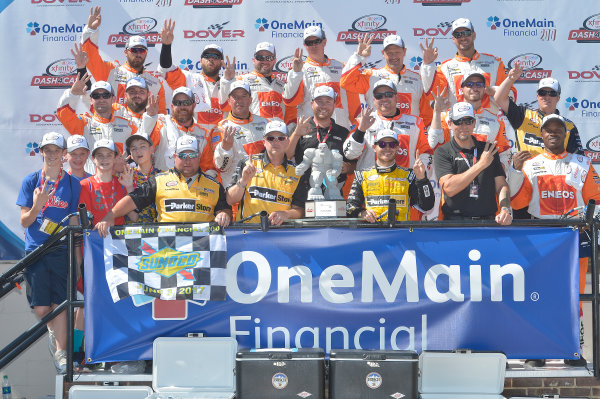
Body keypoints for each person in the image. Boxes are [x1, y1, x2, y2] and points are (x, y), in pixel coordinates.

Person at [508, 114, 600, 368]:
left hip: (574, 235)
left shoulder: (582, 163)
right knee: (539, 292)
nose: (553, 133)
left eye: (558, 129)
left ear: (565, 134)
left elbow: (595, 200)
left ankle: (572, 350)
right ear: (541, 135)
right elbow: (517, 203)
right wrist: (515, 170)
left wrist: (586, 219)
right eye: (548, 130)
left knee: (575, 295)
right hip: (543, 235)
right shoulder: (530, 164)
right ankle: (537, 350)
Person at [16, 132, 82, 374]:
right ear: (41, 152)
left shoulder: (74, 183)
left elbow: (74, 218)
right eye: (48, 150)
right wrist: (38, 205)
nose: (53, 155)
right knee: (42, 309)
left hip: (61, 249)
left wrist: (77, 255)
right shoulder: (31, 181)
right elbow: (25, 222)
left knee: (61, 303)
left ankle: (63, 352)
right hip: (35, 250)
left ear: (64, 154)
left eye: (57, 150)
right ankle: (55, 338)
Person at [96, 135, 231, 236]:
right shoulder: (159, 180)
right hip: (168, 249)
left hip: (202, 249)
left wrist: (224, 214)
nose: (187, 160)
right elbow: (133, 199)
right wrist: (109, 217)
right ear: (174, 156)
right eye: (182, 155)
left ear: (200, 156)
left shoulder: (214, 184)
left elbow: (224, 209)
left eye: (192, 155)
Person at [57, 77, 159, 173]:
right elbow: (63, 114)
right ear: (91, 100)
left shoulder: (127, 124)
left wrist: (150, 116)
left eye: (105, 95)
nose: (101, 99)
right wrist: (72, 94)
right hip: (91, 184)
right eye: (96, 96)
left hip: (120, 183)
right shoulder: (84, 123)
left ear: (113, 99)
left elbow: (142, 138)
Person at [433, 102, 512, 224]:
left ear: (474, 123)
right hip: (455, 224)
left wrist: (505, 209)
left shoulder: (489, 149)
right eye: (458, 121)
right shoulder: (442, 152)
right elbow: (449, 188)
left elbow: (501, 185)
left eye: (468, 121)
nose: (463, 126)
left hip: (488, 222)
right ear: (450, 124)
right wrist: (481, 165)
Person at [81, 7, 167, 114]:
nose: (138, 53)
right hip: (114, 127)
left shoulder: (155, 83)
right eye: (134, 49)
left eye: (142, 50)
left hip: (143, 129)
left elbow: (161, 115)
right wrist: (90, 30)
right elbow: (90, 57)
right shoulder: (111, 71)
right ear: (126, 52)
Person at [419, 18, 514, 113]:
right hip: (459, 125)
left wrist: (492, 90)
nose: (463, 37)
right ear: (453, 39)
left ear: (474, 35)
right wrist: (428, 64)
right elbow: (433, 96)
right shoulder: (444, 68)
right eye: (458, 35)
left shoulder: (495, 63)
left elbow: (511, 96)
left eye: (466, 33)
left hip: (489, 125)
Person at [226, 120, 308, 224]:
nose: (276, 142)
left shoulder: (297, 172)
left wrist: (286, 214)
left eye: (281, 138)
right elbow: (230, 200)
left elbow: (300, 211)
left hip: (280, 232)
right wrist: (243, 181)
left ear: (288, 142)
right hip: (247, 232)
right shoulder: (248, 163)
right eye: (271, 138)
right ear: (264, 142)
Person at [341, 34, 433, 126]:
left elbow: (426, 114)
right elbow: (346, 82)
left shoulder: (418, 80)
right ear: (383, 53)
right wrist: (359, 57)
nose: (393, 56)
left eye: (397, 52)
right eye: (389, 53)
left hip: (408, 136)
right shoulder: (371, 75)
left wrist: (422, 133)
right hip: (378, 135)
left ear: (404, 52)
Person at [343, 79, 431, 173]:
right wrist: (361, 130)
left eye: (389, 95)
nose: (384, 98)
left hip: (404, 183)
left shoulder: (416, 122)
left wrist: (421, 173)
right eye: (379, 96)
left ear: (396, 97)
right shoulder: (363, 121)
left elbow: (426, 152)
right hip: (370, 183)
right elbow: (349, 154)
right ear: (374, 100)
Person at [494, 65, 583, 157]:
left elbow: (578, 158)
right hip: (525, 170)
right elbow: (499, 98)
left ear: (558, 98)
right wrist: (510, 79)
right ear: (537, 97)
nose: (547, 97)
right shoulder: (524, 115)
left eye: (552, 93)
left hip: (555, 170)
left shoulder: (568, 126)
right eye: (542, 93)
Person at [347, 129, 434, 222]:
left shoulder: (409, 175)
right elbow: (350, 207)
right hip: (373, 232)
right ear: (374, 147)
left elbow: (427, 206)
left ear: (397, 148)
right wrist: (362, 213)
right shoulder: (362, 175)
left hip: (401, 233)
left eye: (392, 145)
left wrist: (422, 179)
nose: (387, 148)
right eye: (382, 144)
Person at [283, 26, 360, 130]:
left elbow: (353, 101)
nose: (313, 45)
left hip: (339, 128)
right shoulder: (299, 69)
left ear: (324, 42)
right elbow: (290, 101)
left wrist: (358, 124)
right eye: (309, 43)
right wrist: (296, 73)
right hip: (311, 129)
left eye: (317, 41)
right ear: (305, 45)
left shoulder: (341, 66)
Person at [428, 72, 511, 168]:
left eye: (479, 84)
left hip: (484, 178)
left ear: (484, 89)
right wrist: (436, 112)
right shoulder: (446, 117)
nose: (474, 88)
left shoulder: (496, 120)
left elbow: (503, 153)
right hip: (455, 177)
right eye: (469, 85)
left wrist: (499, 175)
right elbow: (433, 144)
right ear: (461, 89)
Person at [286, 86, 354, 194]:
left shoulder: (343, 132)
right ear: (312, 103)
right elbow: (287, 156)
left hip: (334, 191)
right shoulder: (300, 128)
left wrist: (347, 167)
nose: (324, 106)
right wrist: (296, 134)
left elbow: (353, 164)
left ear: (334, 105)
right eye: (319, 101)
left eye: (328, 102)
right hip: (303, 193)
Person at [159, 19, 222, 133]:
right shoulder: (190, 80)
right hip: (195, 138)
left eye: (216, 56)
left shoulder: (230, 84)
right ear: (201, 61)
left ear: (222, 62)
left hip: (221, 139)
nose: (211, 59)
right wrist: (166, 46)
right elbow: (166, 67)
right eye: (207, 55)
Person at [220, 42, 294, 124]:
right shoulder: (241, 80)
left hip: (276, 134)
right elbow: (224, 105)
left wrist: (289, 131)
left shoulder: (281, 85)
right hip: (253, 132)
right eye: (260, 57)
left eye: (269, 58)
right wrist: (228, 80)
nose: (264, 61)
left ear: (274, 61)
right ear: (253, 60)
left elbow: (290, 113)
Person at [212, 81, 269, 187]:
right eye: (235, 97)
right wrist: (225, 149)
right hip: (236, 190)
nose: (239, 101)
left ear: (250, 100)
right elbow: (221, 167)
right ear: (229, 101)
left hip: (262, 188)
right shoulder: (220, 128)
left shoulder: (265, 123)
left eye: (243, 96)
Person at [153, 87, 215, 174]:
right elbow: (145, 146)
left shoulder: (204, 134)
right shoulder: (161, 124)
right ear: (172, 106)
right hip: (162, 183)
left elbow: (207, 167)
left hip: (191, 185)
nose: (182, 107)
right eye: (177, 103)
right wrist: (150, 117)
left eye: (186, 103)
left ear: (194, 105)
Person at [79, 139, 138, 228]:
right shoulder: (86, 185)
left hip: (118, 239)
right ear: (93, 159)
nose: (104, 159)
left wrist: (129, 187)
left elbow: (134, 217)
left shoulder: (122, 183)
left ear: (115, 158)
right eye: (100, 156)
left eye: (109, 155)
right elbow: (85, 222)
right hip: (95, 238)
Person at [125, 132, 161, 223]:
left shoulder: (163, 176)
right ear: (131, 154)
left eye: (142, 146)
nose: (138, 151)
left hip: (157, 232)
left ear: (152, 149)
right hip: (131, 232)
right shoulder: (125, 174)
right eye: (134, 148)